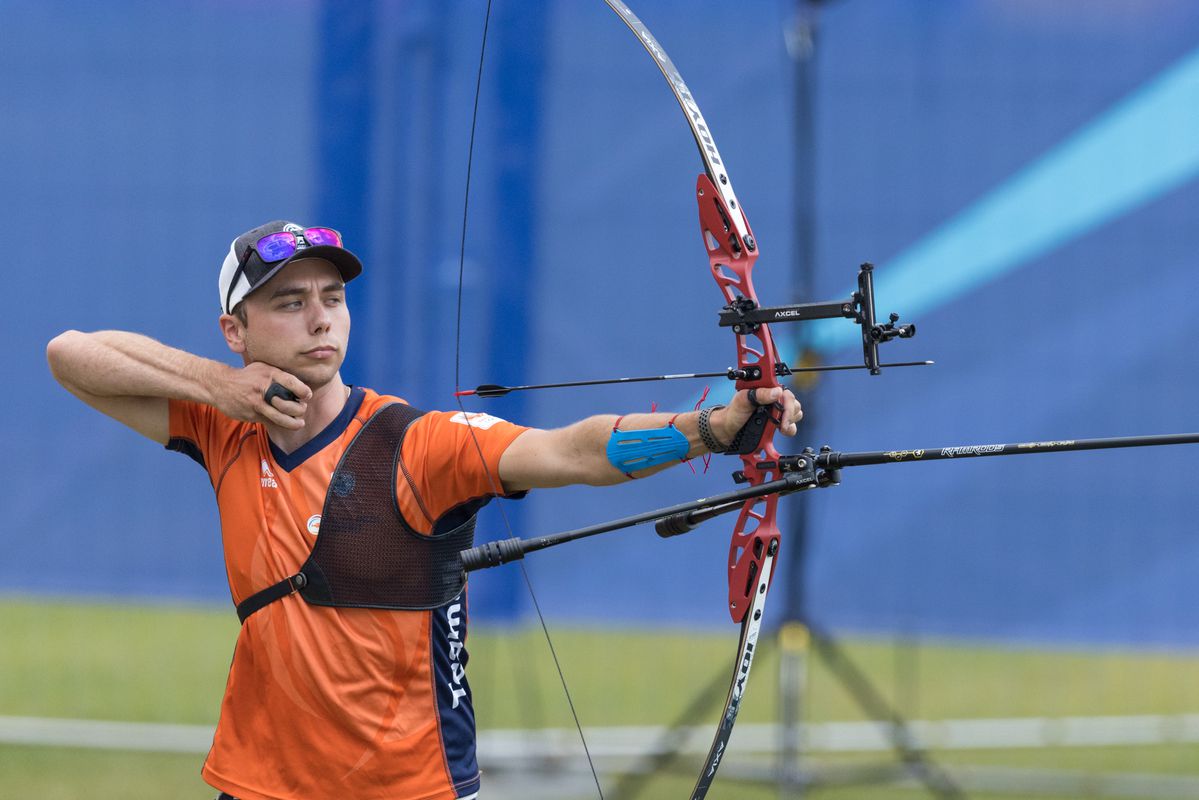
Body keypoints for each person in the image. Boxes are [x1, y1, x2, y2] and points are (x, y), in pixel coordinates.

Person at [45, 220, 803, 800]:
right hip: (256, 782)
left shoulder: (417, 445)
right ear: (235, 333)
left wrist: (710, 427)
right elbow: (71, 353)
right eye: (289, 302)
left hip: (407, 787)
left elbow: (575, 451)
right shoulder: (223, 431)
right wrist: (218, 385)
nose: (320, 320)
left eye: (332, 299)